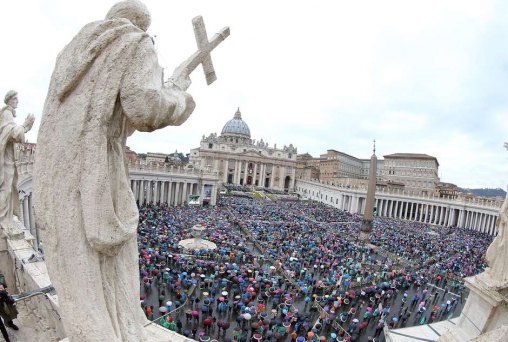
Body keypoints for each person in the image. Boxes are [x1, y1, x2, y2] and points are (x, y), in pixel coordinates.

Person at [33, 1, 196, 341]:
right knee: (111, 271)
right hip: (96, 174)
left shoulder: (73, 53)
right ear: (142, 24)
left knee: (81, 277)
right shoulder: (135, 41)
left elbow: (111, 109)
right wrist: (178, 95)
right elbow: (144, 107)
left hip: (55, 173)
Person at [0, 90, 34, 237]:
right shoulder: (7, 113)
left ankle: (7, 221)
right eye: (16, 99)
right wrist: (25, 127)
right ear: (10, 100)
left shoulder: (7, 113)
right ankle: (5, 223)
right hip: (6, 160)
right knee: (6, 190)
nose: (18, 102)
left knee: (8, 189)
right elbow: (12, 132)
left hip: (8, 159)